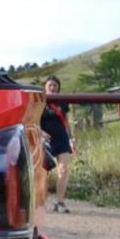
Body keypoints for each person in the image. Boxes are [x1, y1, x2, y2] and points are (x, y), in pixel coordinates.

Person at [41, 76, 75, 212]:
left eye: (55, 85)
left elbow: (66, 121)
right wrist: (40, 133)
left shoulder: (62, 101)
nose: (53, 87)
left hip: (61, 138)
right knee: (43, 172)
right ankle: (40, 201)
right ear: (45, 87)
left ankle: (60, 202)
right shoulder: (39, 101)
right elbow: (32, 120)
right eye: (50, 85)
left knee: (64, 169)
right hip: (45, 140)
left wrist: (71, 138)